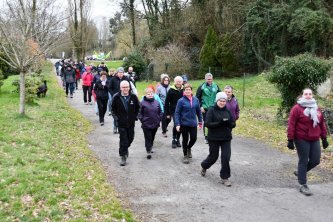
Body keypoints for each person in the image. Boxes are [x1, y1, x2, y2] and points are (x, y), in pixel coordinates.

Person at [287, 88, 329, 196]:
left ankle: (300, 172)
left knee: (316, 160)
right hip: (301, 138)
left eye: (310, 94)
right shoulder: (297, 108)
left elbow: (321, 124)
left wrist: (324, 138)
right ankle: (303, 184)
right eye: (306, 94)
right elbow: (291, 124)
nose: (308, 95)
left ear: (312, 95)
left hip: (314, 138)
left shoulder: (317, 108)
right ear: (302, 95)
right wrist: (290, 139)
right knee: (304, 160)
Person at [201, 92, 236, 187]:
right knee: (213, 157)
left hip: (226, 137)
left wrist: (229, 123)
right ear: (217, 101)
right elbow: (207, 124)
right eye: (220, 100)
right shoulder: (211, 110)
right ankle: (204, 165)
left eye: (224, 101)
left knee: (226, 157)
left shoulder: (227, 111)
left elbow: (233, 124)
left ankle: (225, 177)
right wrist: (219, 123)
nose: (222, 102)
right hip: (214, 138)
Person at [112, 80, 140, 166]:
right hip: (121, 123)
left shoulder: (133, 97)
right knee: (123, 139)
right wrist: (117, 119)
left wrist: (136, 116)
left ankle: (125, 149)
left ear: (129, 88)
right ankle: (123, 156)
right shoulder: (116, 97)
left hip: (131, 123)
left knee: (130, 138)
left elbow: (138, 108)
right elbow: (113, 110)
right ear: (120, 88)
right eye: (123, 87)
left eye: (127, 87)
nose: (125, 89)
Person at [175, 83, 203, 164]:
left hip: (193, 123)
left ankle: (188, 148)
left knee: (194, 139)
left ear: (191, 91)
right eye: (186, 90)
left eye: (189, 90)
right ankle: (185, 155)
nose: (187, 91)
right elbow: (177, 113)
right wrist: (177, 124)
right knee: (185, 139)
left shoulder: (196, 100)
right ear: (184, 91)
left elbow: (198, 112)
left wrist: (200, 122)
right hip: (184, 124)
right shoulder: (181, 101)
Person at [139, 87, 163, 159]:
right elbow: (139, 113)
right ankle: (148, 150)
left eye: (151, 93)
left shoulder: (156, 102)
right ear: (145, 95)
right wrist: (142, 120)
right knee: (148, 137)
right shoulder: (142, 103)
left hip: (155, 123)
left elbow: (160, 112)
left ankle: (151, 146)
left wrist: (159, 119)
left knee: (152, 137)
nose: (150, 95)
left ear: (153, 94)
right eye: (148, 94)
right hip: (146, 124)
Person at [196, 73, 221, 144]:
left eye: (210, 79)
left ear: (212, 79)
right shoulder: (201, 87)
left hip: (214, 107)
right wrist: (200, 106)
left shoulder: (216, 86)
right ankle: (206, 137)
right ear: (205, 79)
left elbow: (220, 95)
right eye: (208, 79)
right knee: (207, 122)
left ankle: (214, 135)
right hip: (205, 108)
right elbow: (197, 97)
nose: (209, 80)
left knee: (215, 121)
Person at [165, 76, 184, 148]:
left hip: (183, 110)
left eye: (180, 81)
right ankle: (174, 139)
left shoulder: (184, 89)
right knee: (176, 124)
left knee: (181, 125)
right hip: (174, 110)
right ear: (174, 82)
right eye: (177, 81)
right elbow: (166, 102)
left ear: (182, 82)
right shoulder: (171, 90)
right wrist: (167, 113)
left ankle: (178, 139)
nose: (178, 83)